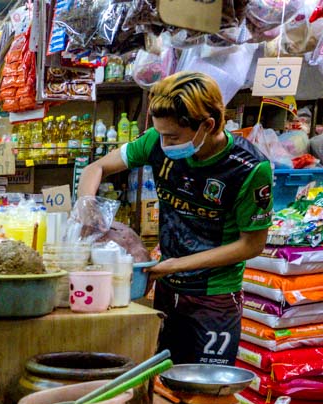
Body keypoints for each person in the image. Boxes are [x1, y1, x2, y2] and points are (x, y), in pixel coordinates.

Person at [77, 71, 272, 366]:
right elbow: (96, 168)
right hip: (168, 287)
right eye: (161, 134)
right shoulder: (156, 141)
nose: (164, 144)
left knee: (206, 386)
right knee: (165, 376)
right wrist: (87, 207)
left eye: (173, 137)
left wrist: (175, 265)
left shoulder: (249, 169)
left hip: (214, 296)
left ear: (207, 125)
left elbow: (252, 244)